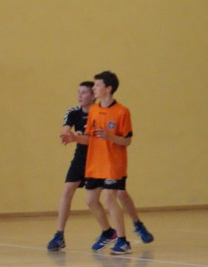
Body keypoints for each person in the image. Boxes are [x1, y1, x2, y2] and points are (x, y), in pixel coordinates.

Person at [48, 81, 154, 251]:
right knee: (70, 191)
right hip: (83, 156)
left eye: (84, 92)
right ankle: (61, 234)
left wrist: (85, 137)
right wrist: (71, 135)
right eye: (78, 92)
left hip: (103, 156)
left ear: (93, 95)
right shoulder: (74, 112)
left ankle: (137, 225)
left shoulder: (106, 111)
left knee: (120, 194)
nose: (79, 96)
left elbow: (117, 138)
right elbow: (66, 131)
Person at [83, 71, 135, 255]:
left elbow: (127, 140)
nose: (94, 88)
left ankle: (123, 241)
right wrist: (73, 138)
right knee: (90, 200)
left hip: (114, 164)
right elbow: (89, 137)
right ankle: (107, 232)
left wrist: (110, 136)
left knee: (109, 198)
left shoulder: (122, 111)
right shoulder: (94, 110)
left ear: (109, 88)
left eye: (97, 85)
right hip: (96, 163)